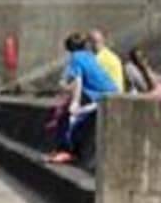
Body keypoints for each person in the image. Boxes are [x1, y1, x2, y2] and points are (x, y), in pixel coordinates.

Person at [46, 32, 115, 165]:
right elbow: (80, 79)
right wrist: (67, 89)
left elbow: (78, 80)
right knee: (70, 117)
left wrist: (75, 103)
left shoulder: (76, 58)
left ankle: (68, 152)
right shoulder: (89, 56)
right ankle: (63, 150)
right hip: (109, 94)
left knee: (71, 119)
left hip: (103, 98)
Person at [88, 28, 128, 94]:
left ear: (103, 41)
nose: (90, 44)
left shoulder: (102, 58)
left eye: (95, 42)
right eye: (89, 41)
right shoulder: (105, 55)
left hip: (109, 97)